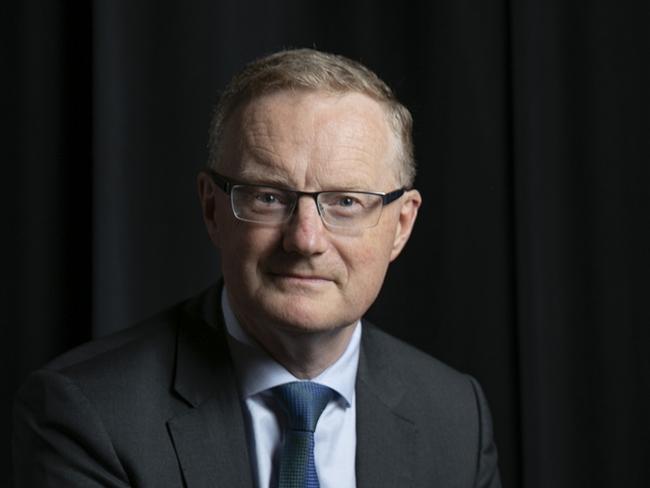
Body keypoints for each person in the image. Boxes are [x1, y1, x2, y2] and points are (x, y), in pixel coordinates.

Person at [13, 48, 501, 487]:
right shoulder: (90, 414)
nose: (305, 239)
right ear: (212, 209)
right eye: (269, 197)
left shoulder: (456, 416)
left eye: (346, 202)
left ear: (400, 224)